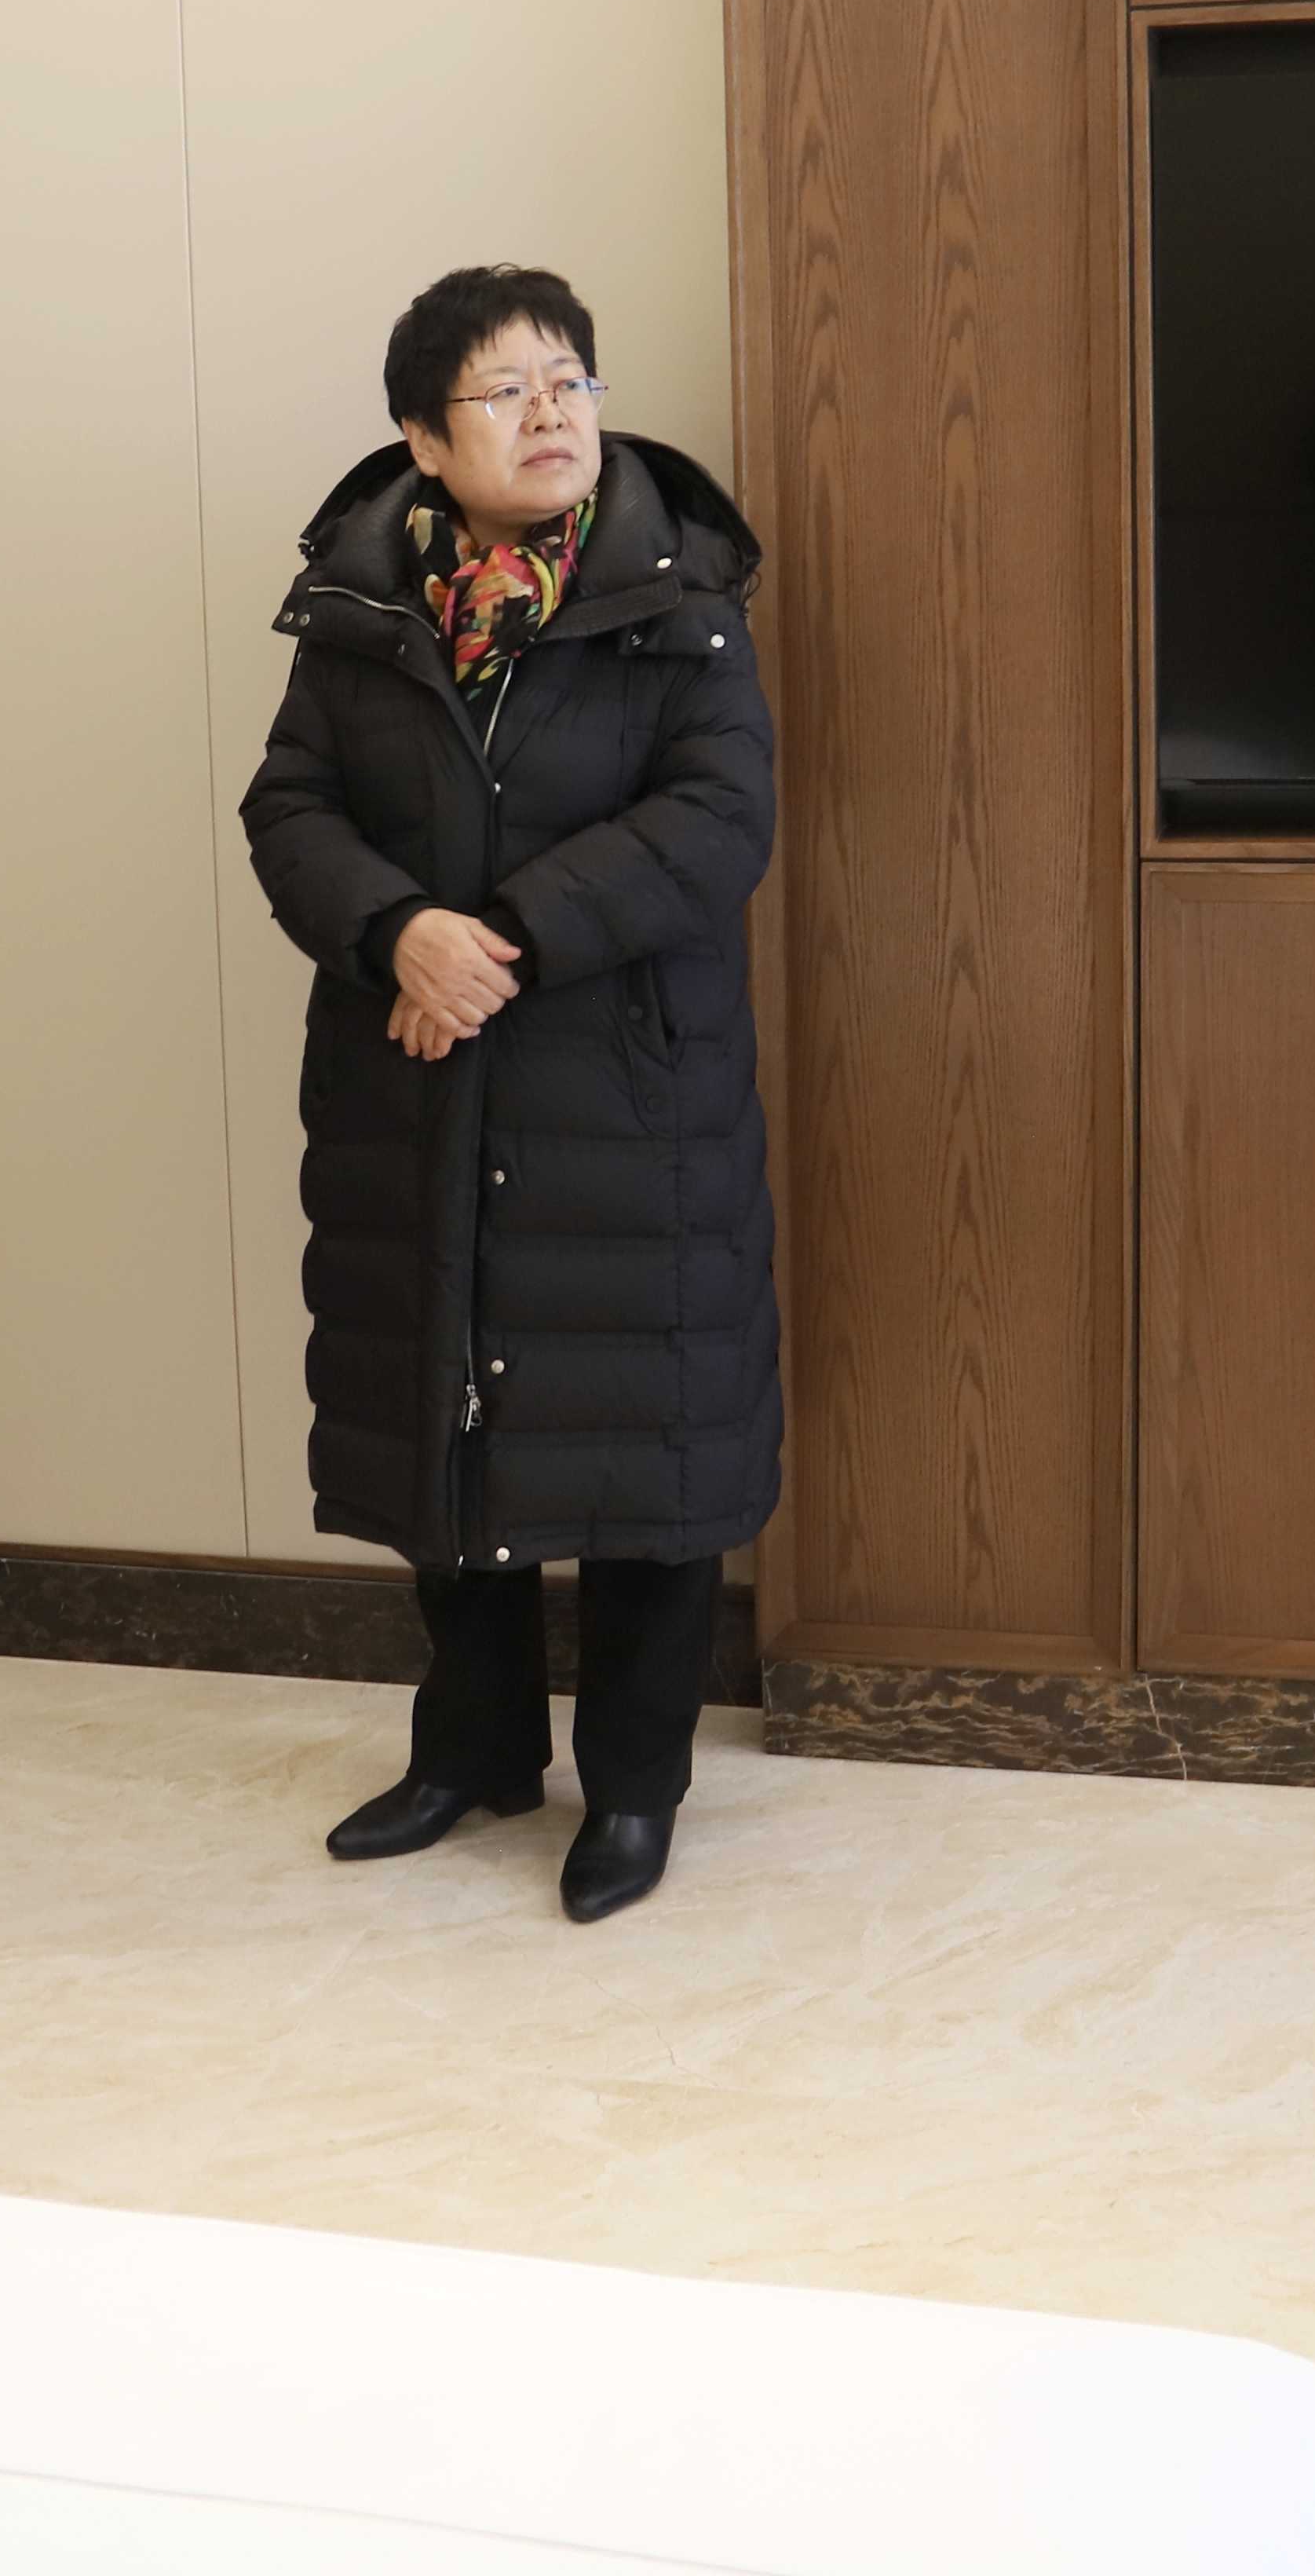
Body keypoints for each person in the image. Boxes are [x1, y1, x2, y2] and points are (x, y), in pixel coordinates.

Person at [240, 265, 780, 1925]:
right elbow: (291, 810)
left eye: (570, 380)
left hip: (630, 1096)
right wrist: (397, 933)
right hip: (417, 1084)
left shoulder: (681, 593)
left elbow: (718, 819)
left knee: (643, 1448)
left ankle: (633, 1788)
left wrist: (503, 944)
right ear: (423, 437)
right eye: (507, 389)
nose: (553, 412)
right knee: (448, 1424)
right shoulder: (360, 607)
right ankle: (473, 1752)